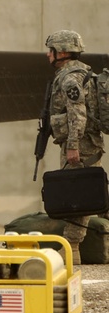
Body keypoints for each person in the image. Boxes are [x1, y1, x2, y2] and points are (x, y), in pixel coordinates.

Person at [43, 29, 105, 263]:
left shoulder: (70, 78)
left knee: (78, 194)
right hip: (85, 141)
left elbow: (77, 112)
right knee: (89, 191)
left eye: (52, 51)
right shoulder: (79, 73)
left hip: (82, 143)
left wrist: (73, 145)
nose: (48, 55)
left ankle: (72, 249)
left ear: (64, 52)